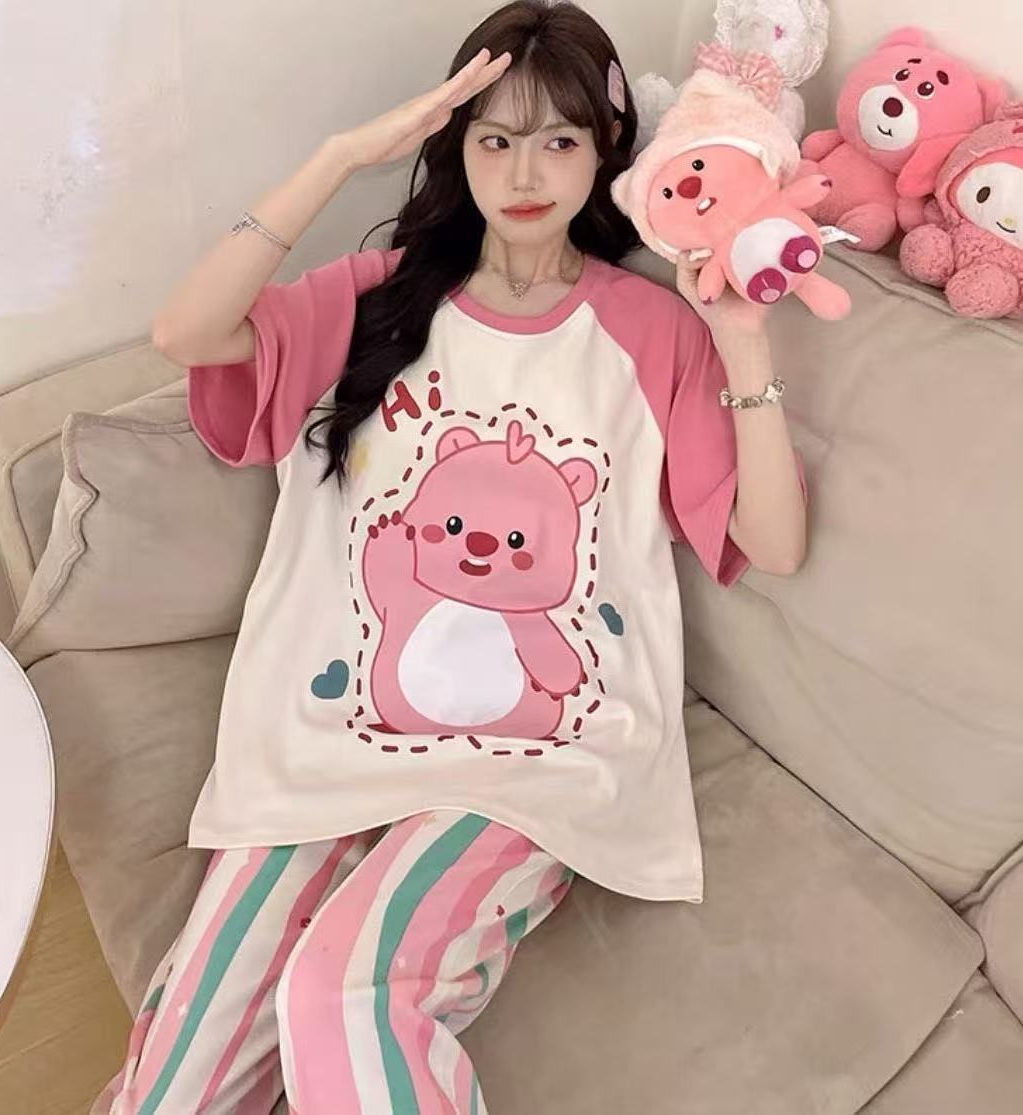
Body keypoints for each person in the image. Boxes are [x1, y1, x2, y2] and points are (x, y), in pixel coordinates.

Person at [96, 2, 807, 1111]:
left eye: (559, 139)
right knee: (171, 1080)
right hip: (323, 743)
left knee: (341, 991)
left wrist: (744, 347)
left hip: (534, 761)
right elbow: (185, 334)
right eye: (494, 137)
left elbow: (774, 540)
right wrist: (341, 157)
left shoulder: (650, 328)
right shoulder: (373, 298)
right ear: (452, 144)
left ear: (605, 151)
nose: (524, 172)